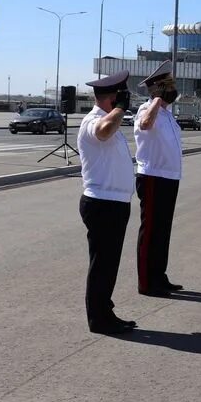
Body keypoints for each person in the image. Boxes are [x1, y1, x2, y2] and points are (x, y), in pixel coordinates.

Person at [77, 70, 137, 334]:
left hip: (114, 203)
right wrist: (120, 109)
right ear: (113, 97)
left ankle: (105, 312)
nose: (125, 100)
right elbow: (103, 132)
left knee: (108, 265)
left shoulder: (109, 118)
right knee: (102, 265)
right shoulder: (93, 121)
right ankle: (99, 320)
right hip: (102, 204)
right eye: (122, 95)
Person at [135, 61, 184, 298]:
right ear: (158, 89)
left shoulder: (167, 115)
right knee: (151, 231)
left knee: (162, 231)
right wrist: (155, 99)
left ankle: (159, 276)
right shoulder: (147, 110)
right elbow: (145, 125)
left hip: (169, 178)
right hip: (153, 177)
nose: (173, 89)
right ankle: (146, 282)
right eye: (168, 85)